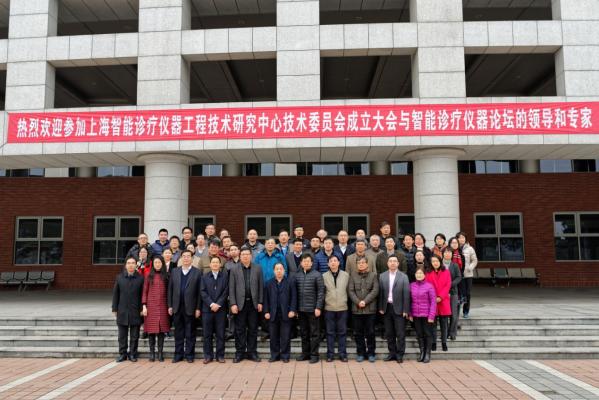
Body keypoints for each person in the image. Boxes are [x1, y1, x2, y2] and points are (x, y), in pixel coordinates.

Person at [229, 248, 264, 363]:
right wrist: (233, 303)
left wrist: (260, 301)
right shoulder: (234, 269)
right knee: (239, 330)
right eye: (243, 254)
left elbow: (261, 286)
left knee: (253, 329)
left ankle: (252, 352)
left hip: (253, 304)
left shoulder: (258, 268)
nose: (245, 256)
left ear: (251, 256)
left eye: (247, 254)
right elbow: (231, 288)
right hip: (240, 305)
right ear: (240, 256)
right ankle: (240, 353)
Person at [168, 250, 202, 363]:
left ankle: (189, 355)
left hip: (191, 307)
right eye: (184, 256)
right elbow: (170, 290)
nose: (186, 258)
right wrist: (170, 305)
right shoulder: (175, 271)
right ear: (181, 258)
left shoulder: (197, 272)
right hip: (177, 307)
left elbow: (199, 293)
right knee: (178, 332)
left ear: (192, 259)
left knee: (190, 333)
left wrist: (198, 308)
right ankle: (178, 354)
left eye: (188, 256)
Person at [378, 255, 410, 363]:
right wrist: (381, 307)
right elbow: (381, 293)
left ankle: (400, 354)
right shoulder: (382, 276)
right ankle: (392, 353)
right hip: (387, 308)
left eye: (394, 261)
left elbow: (406, 294)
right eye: (390, 261)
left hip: (400, 309)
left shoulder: (403, 276)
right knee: (389, 333)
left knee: (400, 333)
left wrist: (406, 310)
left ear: (398, 264)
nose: (392, 263)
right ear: (387, 263)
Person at [112, 256, 144, 362]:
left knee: (135, 336)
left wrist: (142, 308)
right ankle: (122, 354)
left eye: (133, 263)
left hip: (136, 310)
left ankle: (133, 354)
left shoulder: (141, 278)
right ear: (126, 265)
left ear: (136, 265)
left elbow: (142, 295)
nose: (131, 265)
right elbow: (116, 294)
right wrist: (114, 308)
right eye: (129, 263)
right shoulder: (119, 277)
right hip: (122, 310)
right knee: (122, 335)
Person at [294, 253, 325, 364]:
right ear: (301, 263)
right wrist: (295, 309)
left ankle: (314, 355)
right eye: (304, 261)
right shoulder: (297, 276)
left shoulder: (317, 275)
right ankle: (305, 354)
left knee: (314, 334)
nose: (306, 263)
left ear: (312, 263)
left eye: (308, 261)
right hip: (301, 310)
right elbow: (295, 294)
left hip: (313, 310)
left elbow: (321, 293)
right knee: (304, 333)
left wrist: (318, 307)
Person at [264, 262, 297, 363]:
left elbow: (294, 297)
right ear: (274, 271)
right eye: (277, 269)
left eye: (281, 269)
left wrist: (292, 310)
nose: (279, 271)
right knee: (273, 336)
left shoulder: (290, 282)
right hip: (273, 313)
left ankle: (285, 355)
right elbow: (266, 299)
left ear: (284, 270)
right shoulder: (269, 283)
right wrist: (266, 311)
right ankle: (274, 355)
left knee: (285, 336)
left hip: (286, 313)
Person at [348, 256, 379, 362]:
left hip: (370, 310)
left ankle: (371, 353)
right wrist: (358, 302)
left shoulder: (373, 275)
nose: (361, 264)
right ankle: (360, 353)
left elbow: (375, 290)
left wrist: (365, 301)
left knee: (370, 333)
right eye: (359, 263)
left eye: (363, 262)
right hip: (356, 310)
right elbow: (350, 291)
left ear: (367, 264)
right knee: (358, 333)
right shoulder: (352, 276)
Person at [200, 256, 229, 364]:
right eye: (213, 262)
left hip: (220, 310)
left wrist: (218, 304)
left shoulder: (225, 276)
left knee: (220, 334)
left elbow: (226, 291)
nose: (215, 264)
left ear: (220, 265)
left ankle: (220, 356)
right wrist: (211, 304)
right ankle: (208, 356)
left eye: (217, 262)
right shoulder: (204, 277)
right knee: (207, 335)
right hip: (207, 310)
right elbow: (202, 292)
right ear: (210, 265)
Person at [142, 255, 170, 362]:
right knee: (151, 331)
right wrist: (144, 306)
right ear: (153, 264)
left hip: (163, 306)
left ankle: (160, 353)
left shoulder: (166, 276)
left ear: (162, 264)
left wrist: (169, 306)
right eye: (155, 263)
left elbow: (169, 292)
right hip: (151, 307)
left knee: (161, 331)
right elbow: (144, 292)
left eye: (159, 262)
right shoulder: (148, 276)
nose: (157, 264)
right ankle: (152, 353)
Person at [322, 254, 349, 362]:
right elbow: (322, 292)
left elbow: (348, 290)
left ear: (338, 262)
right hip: (329, 308)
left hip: (342, 308)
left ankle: (343, 354)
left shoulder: (346, 275)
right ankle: (330, 354)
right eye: (331, 261)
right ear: (328, 264)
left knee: (342, 332)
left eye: (335, 261)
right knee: (330, 332)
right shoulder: (324, 276)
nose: (333, 263)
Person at [410, 267, 436, 363]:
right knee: (419, 334)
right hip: (416, 315)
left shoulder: (429, 286)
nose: (419, 275)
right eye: (417, 273)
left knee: (427, 334)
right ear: (415, 275)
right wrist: (410, 314)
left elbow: (433, 302)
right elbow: (409, 301)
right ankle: (422, 353)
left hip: (426, 315)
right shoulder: (411, 285)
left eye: (421, 273)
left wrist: (431, 316)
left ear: (424, 275)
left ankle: (427, 354)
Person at [426, 255, 451, 352]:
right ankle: (434, 343)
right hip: (432, 301)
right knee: (433, 325)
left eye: (437, 261)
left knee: (444, 325)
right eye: (433, 261)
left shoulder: (446, 272)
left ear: (440, 262)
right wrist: (434, 298)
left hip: (443, 301)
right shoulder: (428, 273)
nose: (435, 263)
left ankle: (444, 343)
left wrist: (440, 297)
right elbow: (427, 286)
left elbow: (447, 285)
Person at [443, 245, 462, 341]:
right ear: (443, 254)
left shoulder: (455, 265)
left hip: (453, 292)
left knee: (454, 314)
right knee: (444, 315)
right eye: (446, 252)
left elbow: (459, 277)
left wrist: (450, 284)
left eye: (449, 252)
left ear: (452, 254)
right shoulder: (440, 265)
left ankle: (452, 333)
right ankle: (445, 334)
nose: (447, 254)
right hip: (442, 293)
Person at [456, 232, 478, 318]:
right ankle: (456, 311)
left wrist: (470, 267)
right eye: (459, 237)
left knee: (467, 294)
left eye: (463, 237)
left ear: (465, 239)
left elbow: (475, 260)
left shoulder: (470, 249)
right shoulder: (454, 248)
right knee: (458, 293)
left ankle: (466, 311)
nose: (461, 239)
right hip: (458, 275)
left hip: (467, 275)